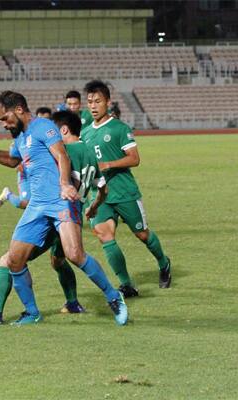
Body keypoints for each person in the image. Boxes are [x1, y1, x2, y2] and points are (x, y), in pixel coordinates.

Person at [0, 90, 127, 326]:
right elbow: (12, 161)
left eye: (5, 118)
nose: (3, 124)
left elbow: (62, 156)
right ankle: (32, 313)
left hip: (59, 200)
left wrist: (64, 184)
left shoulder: (43, 126)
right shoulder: (20, 138)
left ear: (19, 110)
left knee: (74, 254)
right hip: (37, 206)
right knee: (14, 259)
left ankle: (114, 297)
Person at [81, 80, 172, 296]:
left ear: (108, 102)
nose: (93, 106)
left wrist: (109, 164)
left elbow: (134, 158)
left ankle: (163, 263)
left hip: (124, 192)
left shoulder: (119, 128)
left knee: (142, 234)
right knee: (105, 237)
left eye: (98, 101)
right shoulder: (84, 133)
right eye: (90, 102)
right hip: (100, 196)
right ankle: (126, 284)